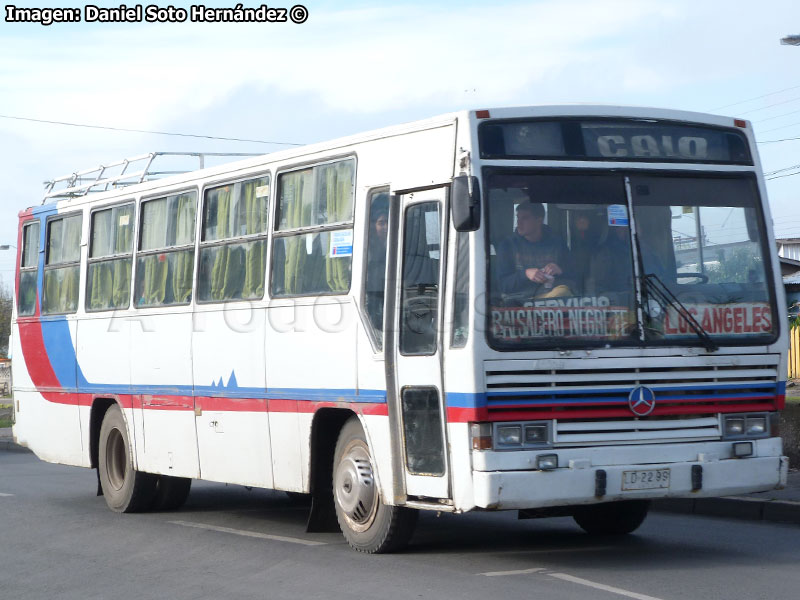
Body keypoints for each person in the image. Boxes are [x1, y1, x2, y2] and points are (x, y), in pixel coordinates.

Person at [495, 201, 574, 298]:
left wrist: (560, 271)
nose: (518, 223)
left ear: (539, 220)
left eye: (525, 218)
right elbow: (503, 286)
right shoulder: (507, 245)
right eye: (518, 218)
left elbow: (575, 281)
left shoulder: (558, 244)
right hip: (518, 305)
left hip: (552, 302)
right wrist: (525, 274)